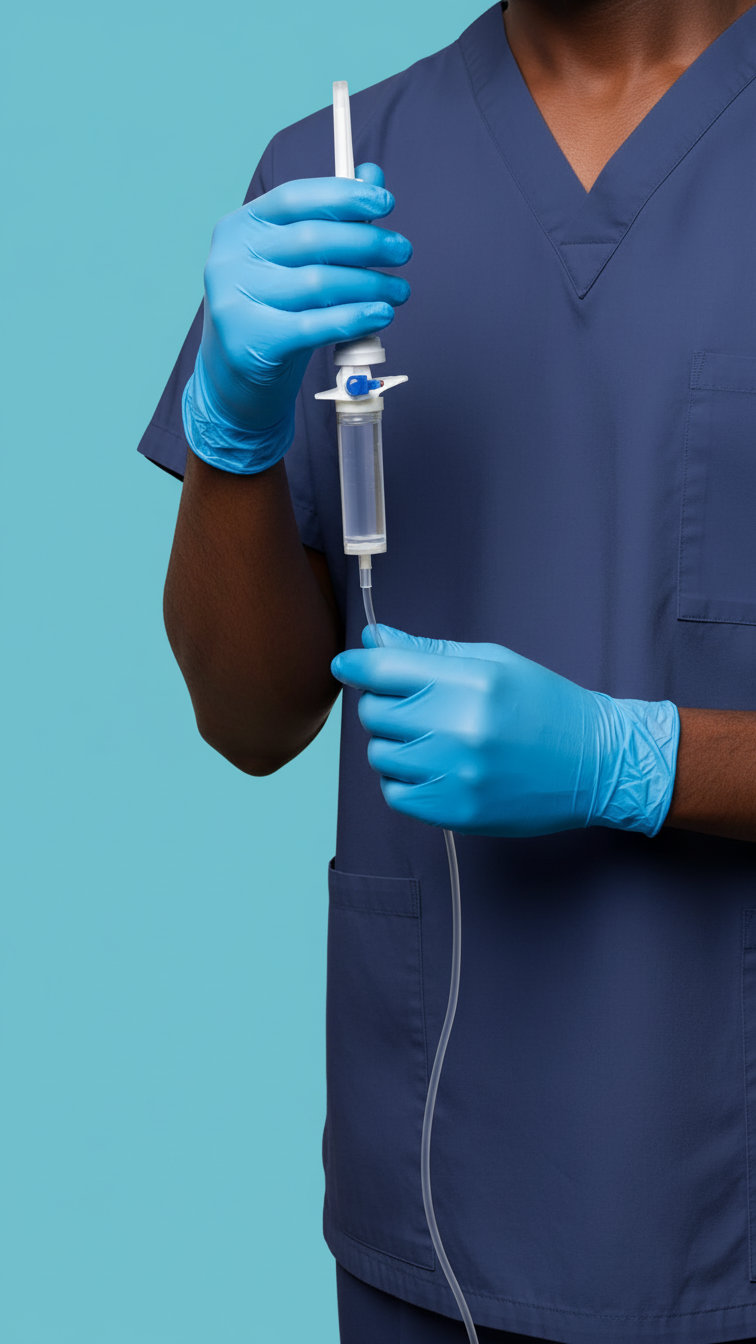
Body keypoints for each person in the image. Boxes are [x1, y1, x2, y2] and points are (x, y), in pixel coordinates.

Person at [137, 1, 756, 1339]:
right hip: (439, 1206)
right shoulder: (337, 172)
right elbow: (248, 717)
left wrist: (632, 762)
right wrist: (232, 433)